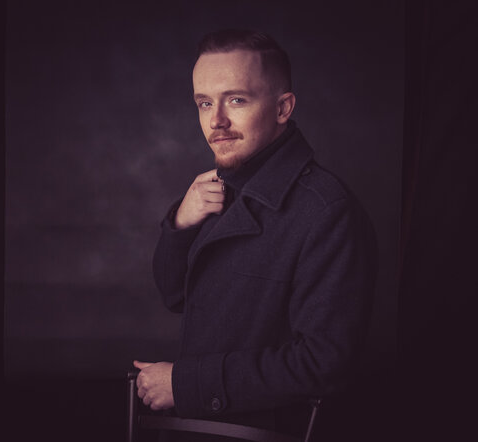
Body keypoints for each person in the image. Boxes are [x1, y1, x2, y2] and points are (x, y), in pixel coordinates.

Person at [133, 29, 377, 439]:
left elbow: (325, 363)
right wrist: (181, 224)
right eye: (204, 103)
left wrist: (185, 384)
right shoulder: (217, 189)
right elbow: (173, 294)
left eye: (236, 100)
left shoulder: (327, 211)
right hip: (202, 428)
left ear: (283, 108)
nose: (216, 120)